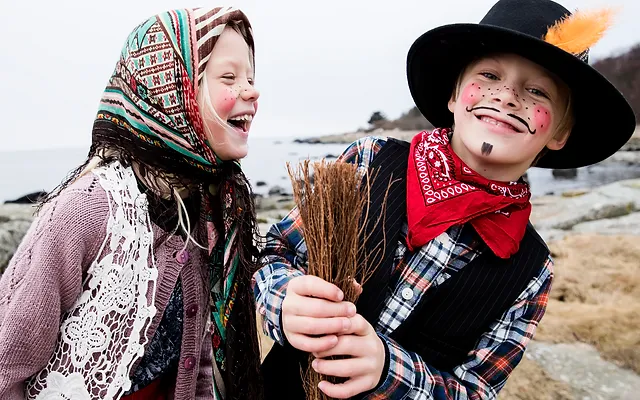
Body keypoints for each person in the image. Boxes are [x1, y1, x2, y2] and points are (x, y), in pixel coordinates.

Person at [254, 0, 636, 398]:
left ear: (559, 133)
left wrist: (388, 370)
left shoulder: (532, 269)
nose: (506, 96)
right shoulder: (371, 161)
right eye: (489, 74)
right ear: (453, 95)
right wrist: (283, 300)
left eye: (537, 90)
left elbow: (475, 389)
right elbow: (272, 253)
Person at [0, 6, 263, 400]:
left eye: (251, 78)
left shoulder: (207, 215)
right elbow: (7, 364)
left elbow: (198, 362)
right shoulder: (88, 210)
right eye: (228, 76)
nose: (252, 90)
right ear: (168, 90)